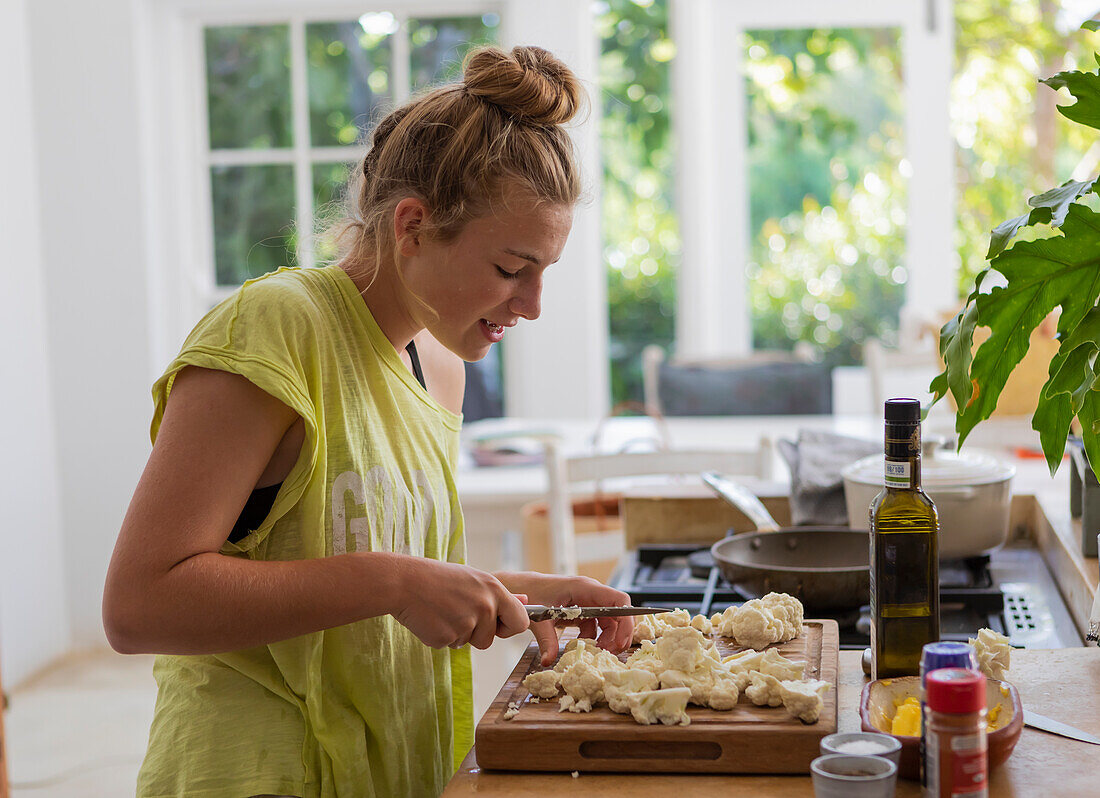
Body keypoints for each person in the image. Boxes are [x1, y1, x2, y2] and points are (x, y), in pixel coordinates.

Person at [102, 45, 634, 798]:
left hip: (400, 765)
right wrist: (392, 581)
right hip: (263, 771)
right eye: (512, 269)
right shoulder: (276, 327)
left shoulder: (439, 366)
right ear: (413, 226)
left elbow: (371, 565)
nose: (532, 304)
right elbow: (138, 605)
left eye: (545, 272)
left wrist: (516, 591)